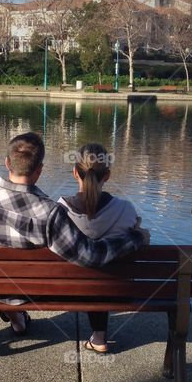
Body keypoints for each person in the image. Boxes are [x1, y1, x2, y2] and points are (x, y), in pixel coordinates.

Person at [0, 132, 149, 336]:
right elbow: (90, 256)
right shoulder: (49, 212)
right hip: (29, 290)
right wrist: (137, 237)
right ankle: (18, 314)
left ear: (7, 163)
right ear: (40, 170)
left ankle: (16, 317)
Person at [57, 143, 137, 353]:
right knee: (102, 275)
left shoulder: (58, 210)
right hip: (118, 290)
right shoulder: (126, 210)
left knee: (88, 275)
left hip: (63, 290)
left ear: (75, 172)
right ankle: (99, 335)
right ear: (107, 175)